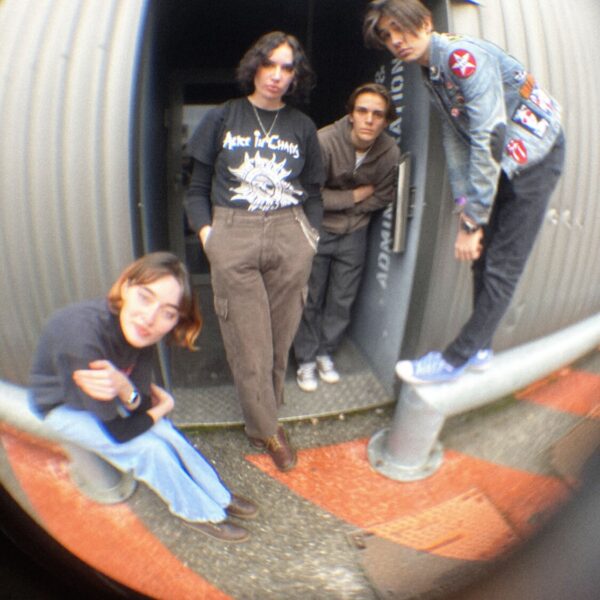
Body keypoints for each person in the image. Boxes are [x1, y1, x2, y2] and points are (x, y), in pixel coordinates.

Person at [363, 0, 565, 384]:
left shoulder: (461, 58)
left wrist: (472, 223)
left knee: (502, 263)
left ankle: (454, 359)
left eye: (401, 28)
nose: (396, 41)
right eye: (387, 36)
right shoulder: (431, 70)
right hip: (504, 155)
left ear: (426, 21)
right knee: (481, 256)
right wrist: (464, 206)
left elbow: (489, 137)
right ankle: (480, 348)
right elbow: (456, 140)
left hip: (535, 152)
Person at [29, 252, 258, 543]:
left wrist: (128, 391)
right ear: (126, 287)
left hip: (106, 401)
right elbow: (121, 433)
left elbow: (140, 403)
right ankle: (196, 512)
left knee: (166, 432)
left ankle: (219, 496)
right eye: (145, 297)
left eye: (168, 313)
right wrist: (164, 406)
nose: (150, 318)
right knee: (150, 450)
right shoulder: (83, 339)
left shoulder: (140, 332)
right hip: (61, 406)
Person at [184, 32, 324, 470]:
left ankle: (268, 409)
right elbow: (196, 187)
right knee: (250, 345)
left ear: (295, 76)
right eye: (270, 64)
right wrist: (209, 236)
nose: (277, 75)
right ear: (255, 66)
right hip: (234, 231)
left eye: (287, 68)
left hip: (289, 231)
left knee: (279, 340)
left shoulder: (302, 126)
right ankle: (265, 428)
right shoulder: (223, 116)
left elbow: (314, 191)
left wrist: (311, 237)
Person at [293, 83, 400, 392]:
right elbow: (309, 193)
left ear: (385, 121)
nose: (369, 119)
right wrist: (352, 197)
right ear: (351, 115)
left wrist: (351, 210)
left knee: (342, 298)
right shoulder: (324, 141)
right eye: (362, 111)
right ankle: (305, 359)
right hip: (317, 228)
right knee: (310, 297)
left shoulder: (389, 152)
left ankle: (325, 353)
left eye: (377, 114)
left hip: (355, 232)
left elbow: (383, 195)